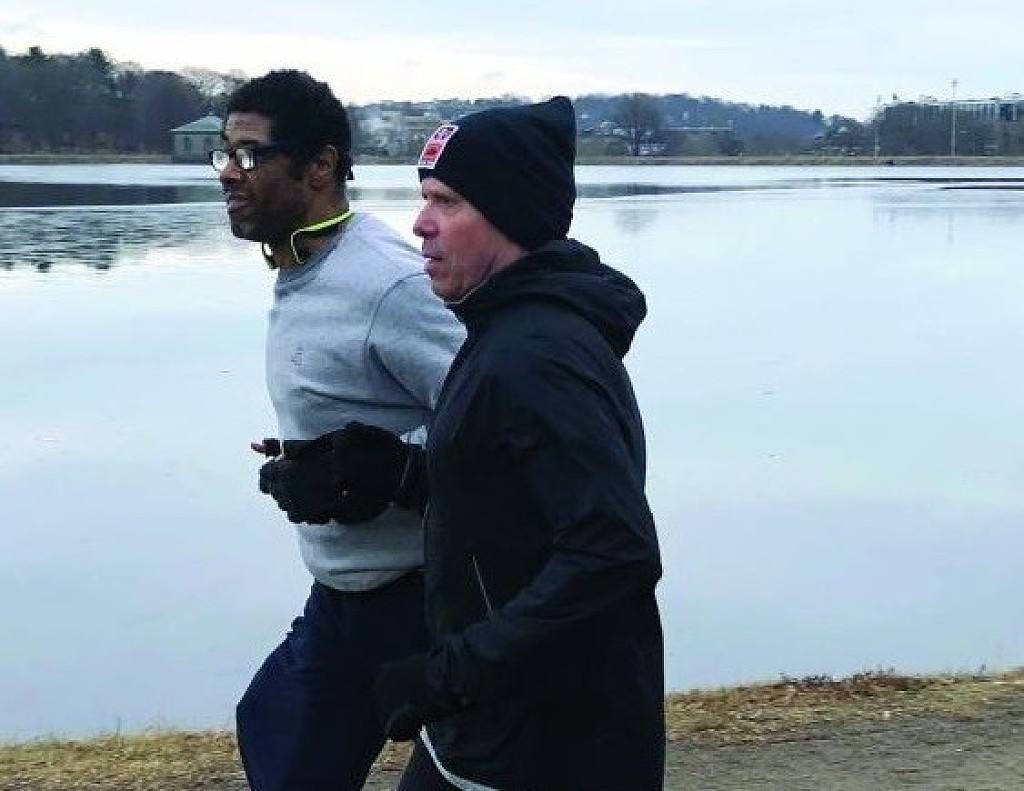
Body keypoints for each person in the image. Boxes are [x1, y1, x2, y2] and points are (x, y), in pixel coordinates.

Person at [278, 96, 666, 789]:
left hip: (552, 747)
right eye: (425, 198)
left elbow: (613, 552)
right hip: (492, 728)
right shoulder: (500, 331)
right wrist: (386, 472)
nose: (420, 224)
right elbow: (512, 494)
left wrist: (451, 671)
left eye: (447, 202)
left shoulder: (538, 357)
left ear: (511, 215)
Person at [211, 69, 465, 791]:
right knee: (275, 728)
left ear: (320, 165)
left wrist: (395, 472)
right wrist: (315, 463)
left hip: (427, 601)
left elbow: (504, 420)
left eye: (251, 154)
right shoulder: (302, 265)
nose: (228, 172)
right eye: (225, 153)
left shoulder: (390, 282)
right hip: (342, 598)